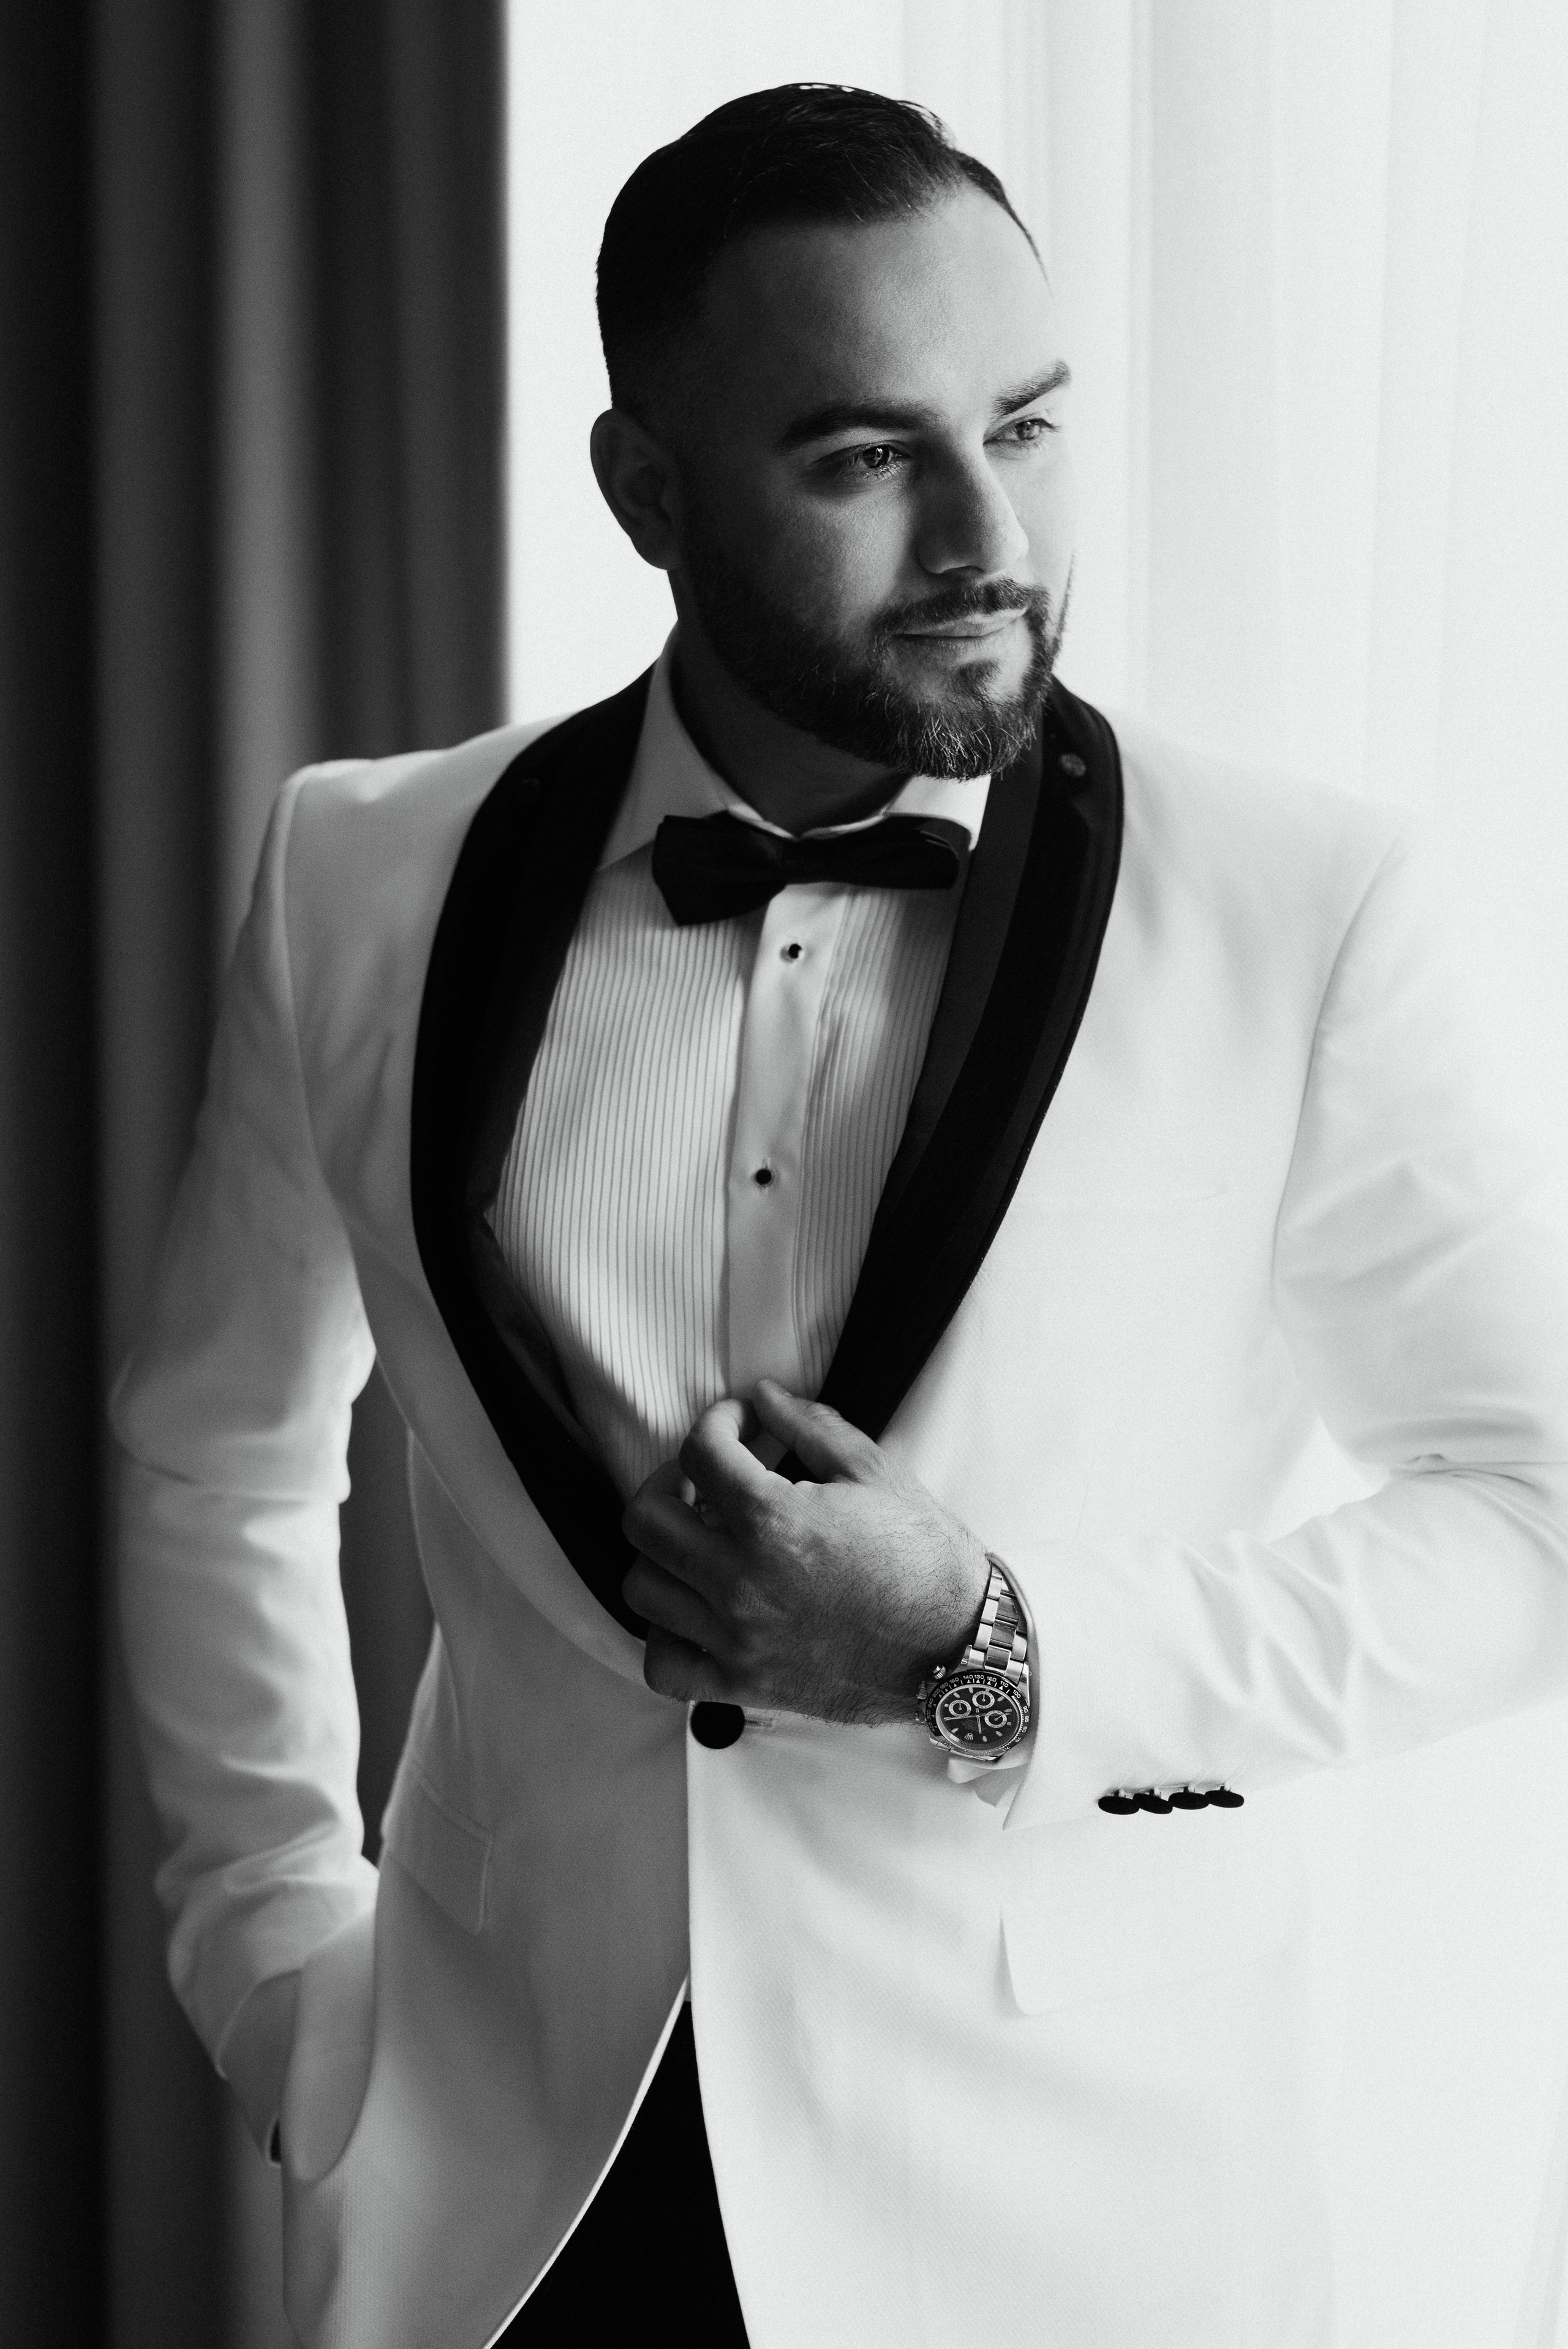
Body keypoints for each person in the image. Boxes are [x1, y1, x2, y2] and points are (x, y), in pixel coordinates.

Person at [113, 83, 1568, 2349]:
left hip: (1079, 2221)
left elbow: (1532, 1521)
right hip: (506, 2205)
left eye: (1030, 420)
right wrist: (278, 1962)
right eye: (866, 456)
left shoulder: (1309, 907)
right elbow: (214, 1449)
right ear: (647, 493)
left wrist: (989, 1639)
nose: (994, 534)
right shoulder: (360, 868)